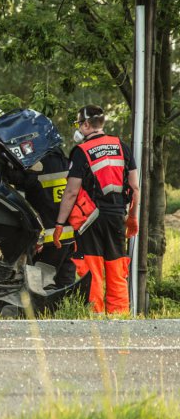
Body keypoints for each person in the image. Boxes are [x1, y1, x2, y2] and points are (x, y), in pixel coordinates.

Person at [53, 105, 140, 314]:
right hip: (117, 217)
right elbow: (135, 187)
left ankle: (95, 317)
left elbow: (71, 192)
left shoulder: (81, 152)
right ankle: (118, 317)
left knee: (91, 270)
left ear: (85, 125)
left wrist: (59, 224)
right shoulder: (123, 147)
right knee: (116, 267)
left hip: (90, 220)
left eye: (78, 124)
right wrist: (132, 217)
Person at [9, 147, 77, 289]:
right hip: (69, 234)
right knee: (65, 279)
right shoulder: (65, 161)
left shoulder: (37, 164)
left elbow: (20, 180)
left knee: (42, 282)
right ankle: (68, 307)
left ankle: (43, 308)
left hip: (50, 237)